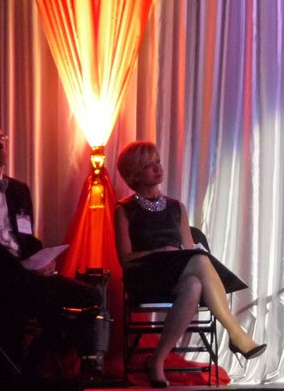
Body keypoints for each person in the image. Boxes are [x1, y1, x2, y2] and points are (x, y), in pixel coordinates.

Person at [114, 141, 266, 387]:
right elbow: (125, 258)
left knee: (194, 283)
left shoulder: (177, 207)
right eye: (149, 165)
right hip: (146, 278)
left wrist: (177, 254)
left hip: (175, 274)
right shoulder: (124, 209)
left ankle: (156, 360)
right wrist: (159, 252)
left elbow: (187, 249)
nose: (158, 168)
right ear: (135, 174)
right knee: (198, 262)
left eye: (158, 161)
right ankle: (236, 333)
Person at [0, 120, 101, 378]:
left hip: (26, 276)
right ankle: (18, 369)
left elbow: (26, 237)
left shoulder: (18, 189)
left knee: (90, 297)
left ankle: (34, 358)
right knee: (18, 295)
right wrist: (21, 268)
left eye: (1, 139)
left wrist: (44, 260)